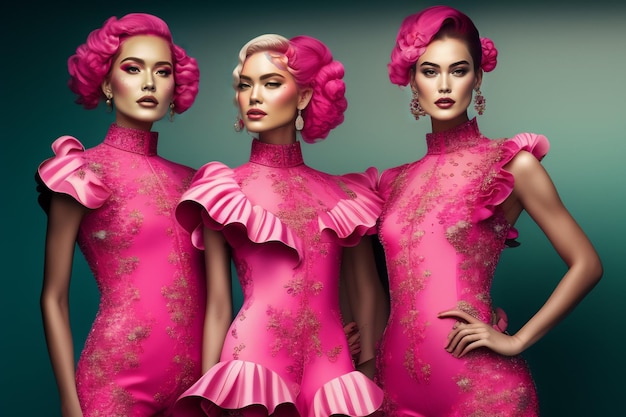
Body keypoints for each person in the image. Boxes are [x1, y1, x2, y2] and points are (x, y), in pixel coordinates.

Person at [374, 5, 603, 416]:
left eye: (458, 70)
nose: (444, 84)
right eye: (429, 71)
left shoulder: (511, 163)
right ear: (412, 82)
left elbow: (587, 263)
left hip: (482, 391)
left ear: (477, 78)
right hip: (393, 389)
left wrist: (516, 341)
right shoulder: (393, 181)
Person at [172, 34, 384, 417]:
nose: (254, 96)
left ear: (303, 97)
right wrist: (208, 398)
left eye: (271, 83)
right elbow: (218, 305)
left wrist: (368, 372)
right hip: (252, 359)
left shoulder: (345, 193)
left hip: (332, 364)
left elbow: (367, 296)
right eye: (245, 84)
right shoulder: (223, 189)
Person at [36, 13, 204, 417]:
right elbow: (53, 297)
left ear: (174, 88)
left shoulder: (196, 182)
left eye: (162, 72)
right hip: (116, 380)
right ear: (107, 83)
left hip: (196, 388)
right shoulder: (80, 172)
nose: (149, 83)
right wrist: (69, 404)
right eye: (133, 69)